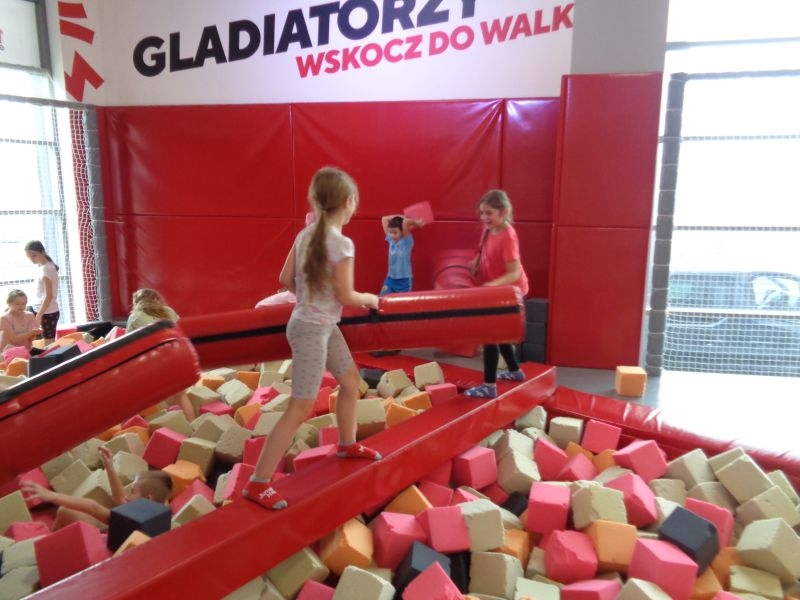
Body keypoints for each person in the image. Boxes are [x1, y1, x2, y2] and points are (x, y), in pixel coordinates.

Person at [242, 166, 382, 510]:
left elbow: (285, 278)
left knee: (351, 382)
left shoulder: (305, 235)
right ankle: (258, 482)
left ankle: (347, 443)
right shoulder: (342, 243)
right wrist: (371, 298)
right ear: (349, 202)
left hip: (317, 324)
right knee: (300, 406)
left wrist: (311, 297)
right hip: (311, 330)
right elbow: (348, 296)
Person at [464, 190, 529, 399]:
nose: (484, 217)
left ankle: (489, 386)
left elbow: (514, 272)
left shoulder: (508, 236)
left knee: (490, 335)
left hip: (510, 293)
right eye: (482, 213)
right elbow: (483, 249)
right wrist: (476, 260)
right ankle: (515, 371)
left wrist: (491, 285)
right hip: (497, 291)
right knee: (500, 335)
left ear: (504, 212)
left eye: (489, 213)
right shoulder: (489, 228)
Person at [20, 446, 172, 531]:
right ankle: (51, 537)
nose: (128, 495)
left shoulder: (134, 521)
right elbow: (120, 498)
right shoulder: (154, 513)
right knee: (66, 512)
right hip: (112, 537)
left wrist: (52, 496)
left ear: (148, 499)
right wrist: (110, 469)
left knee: (65, 511)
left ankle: (49, 543)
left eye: (133, 491)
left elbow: (94, 507)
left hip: (104, 550)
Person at [126, 288, 195, 421]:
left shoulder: (136, 316)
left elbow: (127, 344)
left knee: (140, 395)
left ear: (137, 302)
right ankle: (191, 424)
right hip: (176, 356)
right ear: (157, 299)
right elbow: (182, 331)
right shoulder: (168, 311)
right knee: (180, 394)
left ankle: (144, 425)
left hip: (152, 362)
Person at [24, 240, 60, 346]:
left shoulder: (47, 269)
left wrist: (39, 315)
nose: (31, 259)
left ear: (42, 252)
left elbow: (49, 296)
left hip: (47, 312)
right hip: (38, 308)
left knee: (49, 343)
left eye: (34, 256)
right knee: (34, 341)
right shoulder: (43, 267)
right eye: (29, 257)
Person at [380, 214, 425, 295]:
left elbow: (406, 222)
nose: (392, 235)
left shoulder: (406, 241)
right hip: (390, 279)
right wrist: (401, 216)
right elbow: (384, 219)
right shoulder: (391, 240)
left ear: (402, 232)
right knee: (382, 299)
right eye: (390, 232)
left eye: (395, 232)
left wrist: (416, 224)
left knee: (402, 303)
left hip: (404, 281)